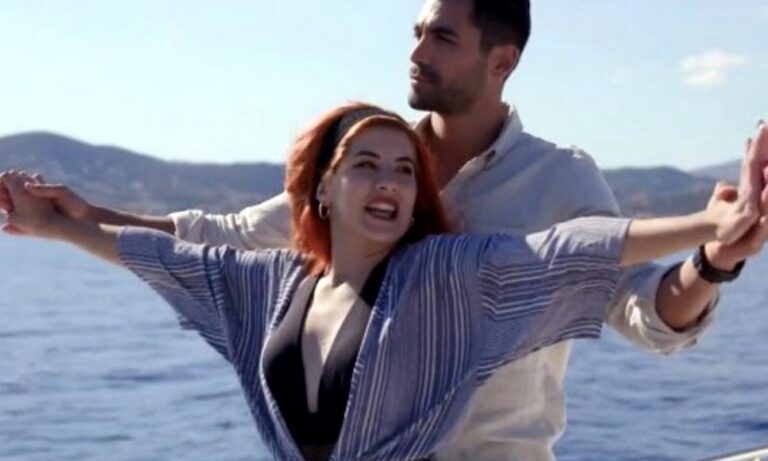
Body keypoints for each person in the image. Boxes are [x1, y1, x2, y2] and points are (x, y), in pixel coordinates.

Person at [3, 1, 767, 458]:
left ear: (502, 60)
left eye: (441, 37)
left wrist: (712, 256)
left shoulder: (558, 180)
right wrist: (81, 217)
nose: (414, 51)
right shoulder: (370, 166)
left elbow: (640, 306)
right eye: (416, 31)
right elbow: (224, 240)